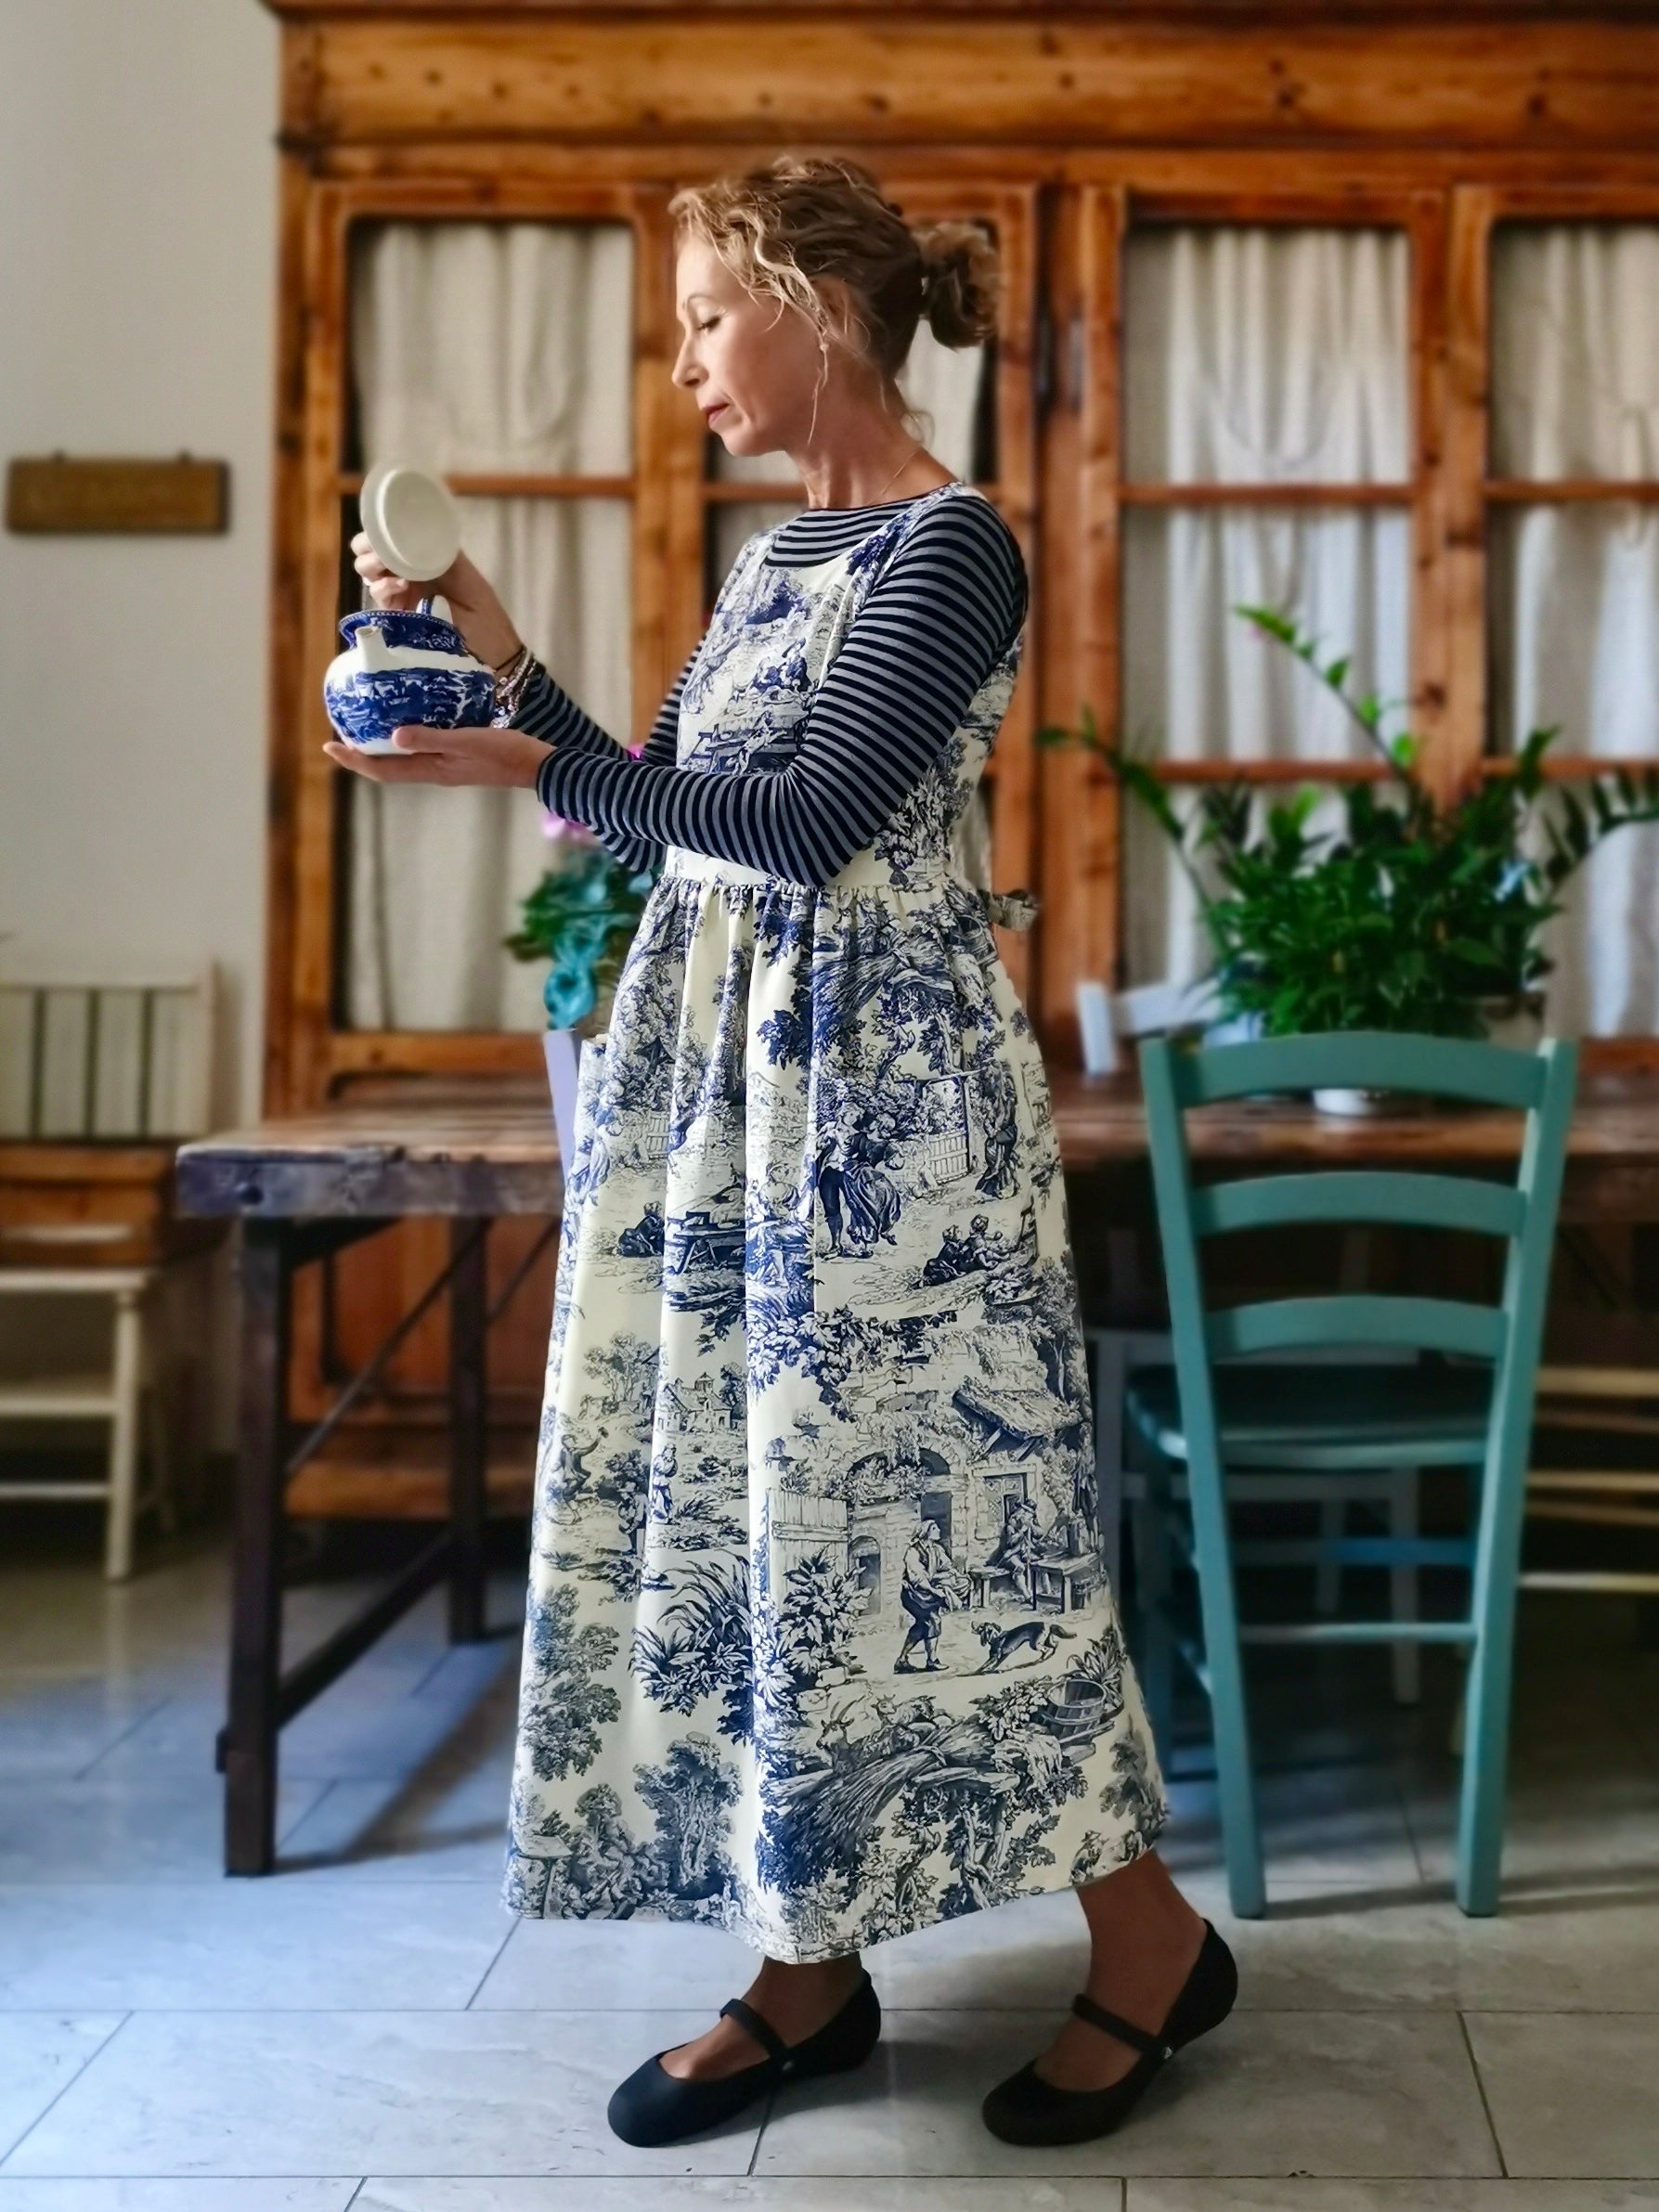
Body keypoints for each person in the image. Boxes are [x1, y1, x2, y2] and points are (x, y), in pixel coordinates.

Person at [330, 151, 1235, 2156]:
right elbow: (652, 798)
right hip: (725, 1106)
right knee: (763, 1530)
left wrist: (529, 759)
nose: (682, 366)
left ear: (816, 313)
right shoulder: (770, 565)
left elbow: (809, 826)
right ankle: (806, 1969)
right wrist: (490, 647)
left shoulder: (949, 546)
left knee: (955, 1539)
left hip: (885, 1132)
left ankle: (1151, 1939)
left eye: (703, 320)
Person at [895, 1516, 956, 1671]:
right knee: (933, 1620)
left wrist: (950, 1577)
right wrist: (934, 1590)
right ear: (925, 1532)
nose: (939, 1530)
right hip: (914, 1595)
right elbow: (917, 1578)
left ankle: (902, 1660)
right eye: (935, 1528)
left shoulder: (937, 1550)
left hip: (929, 1594)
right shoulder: (913, 1552)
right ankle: (932, 1661)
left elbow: (947, 1567)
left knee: (922, 1626)